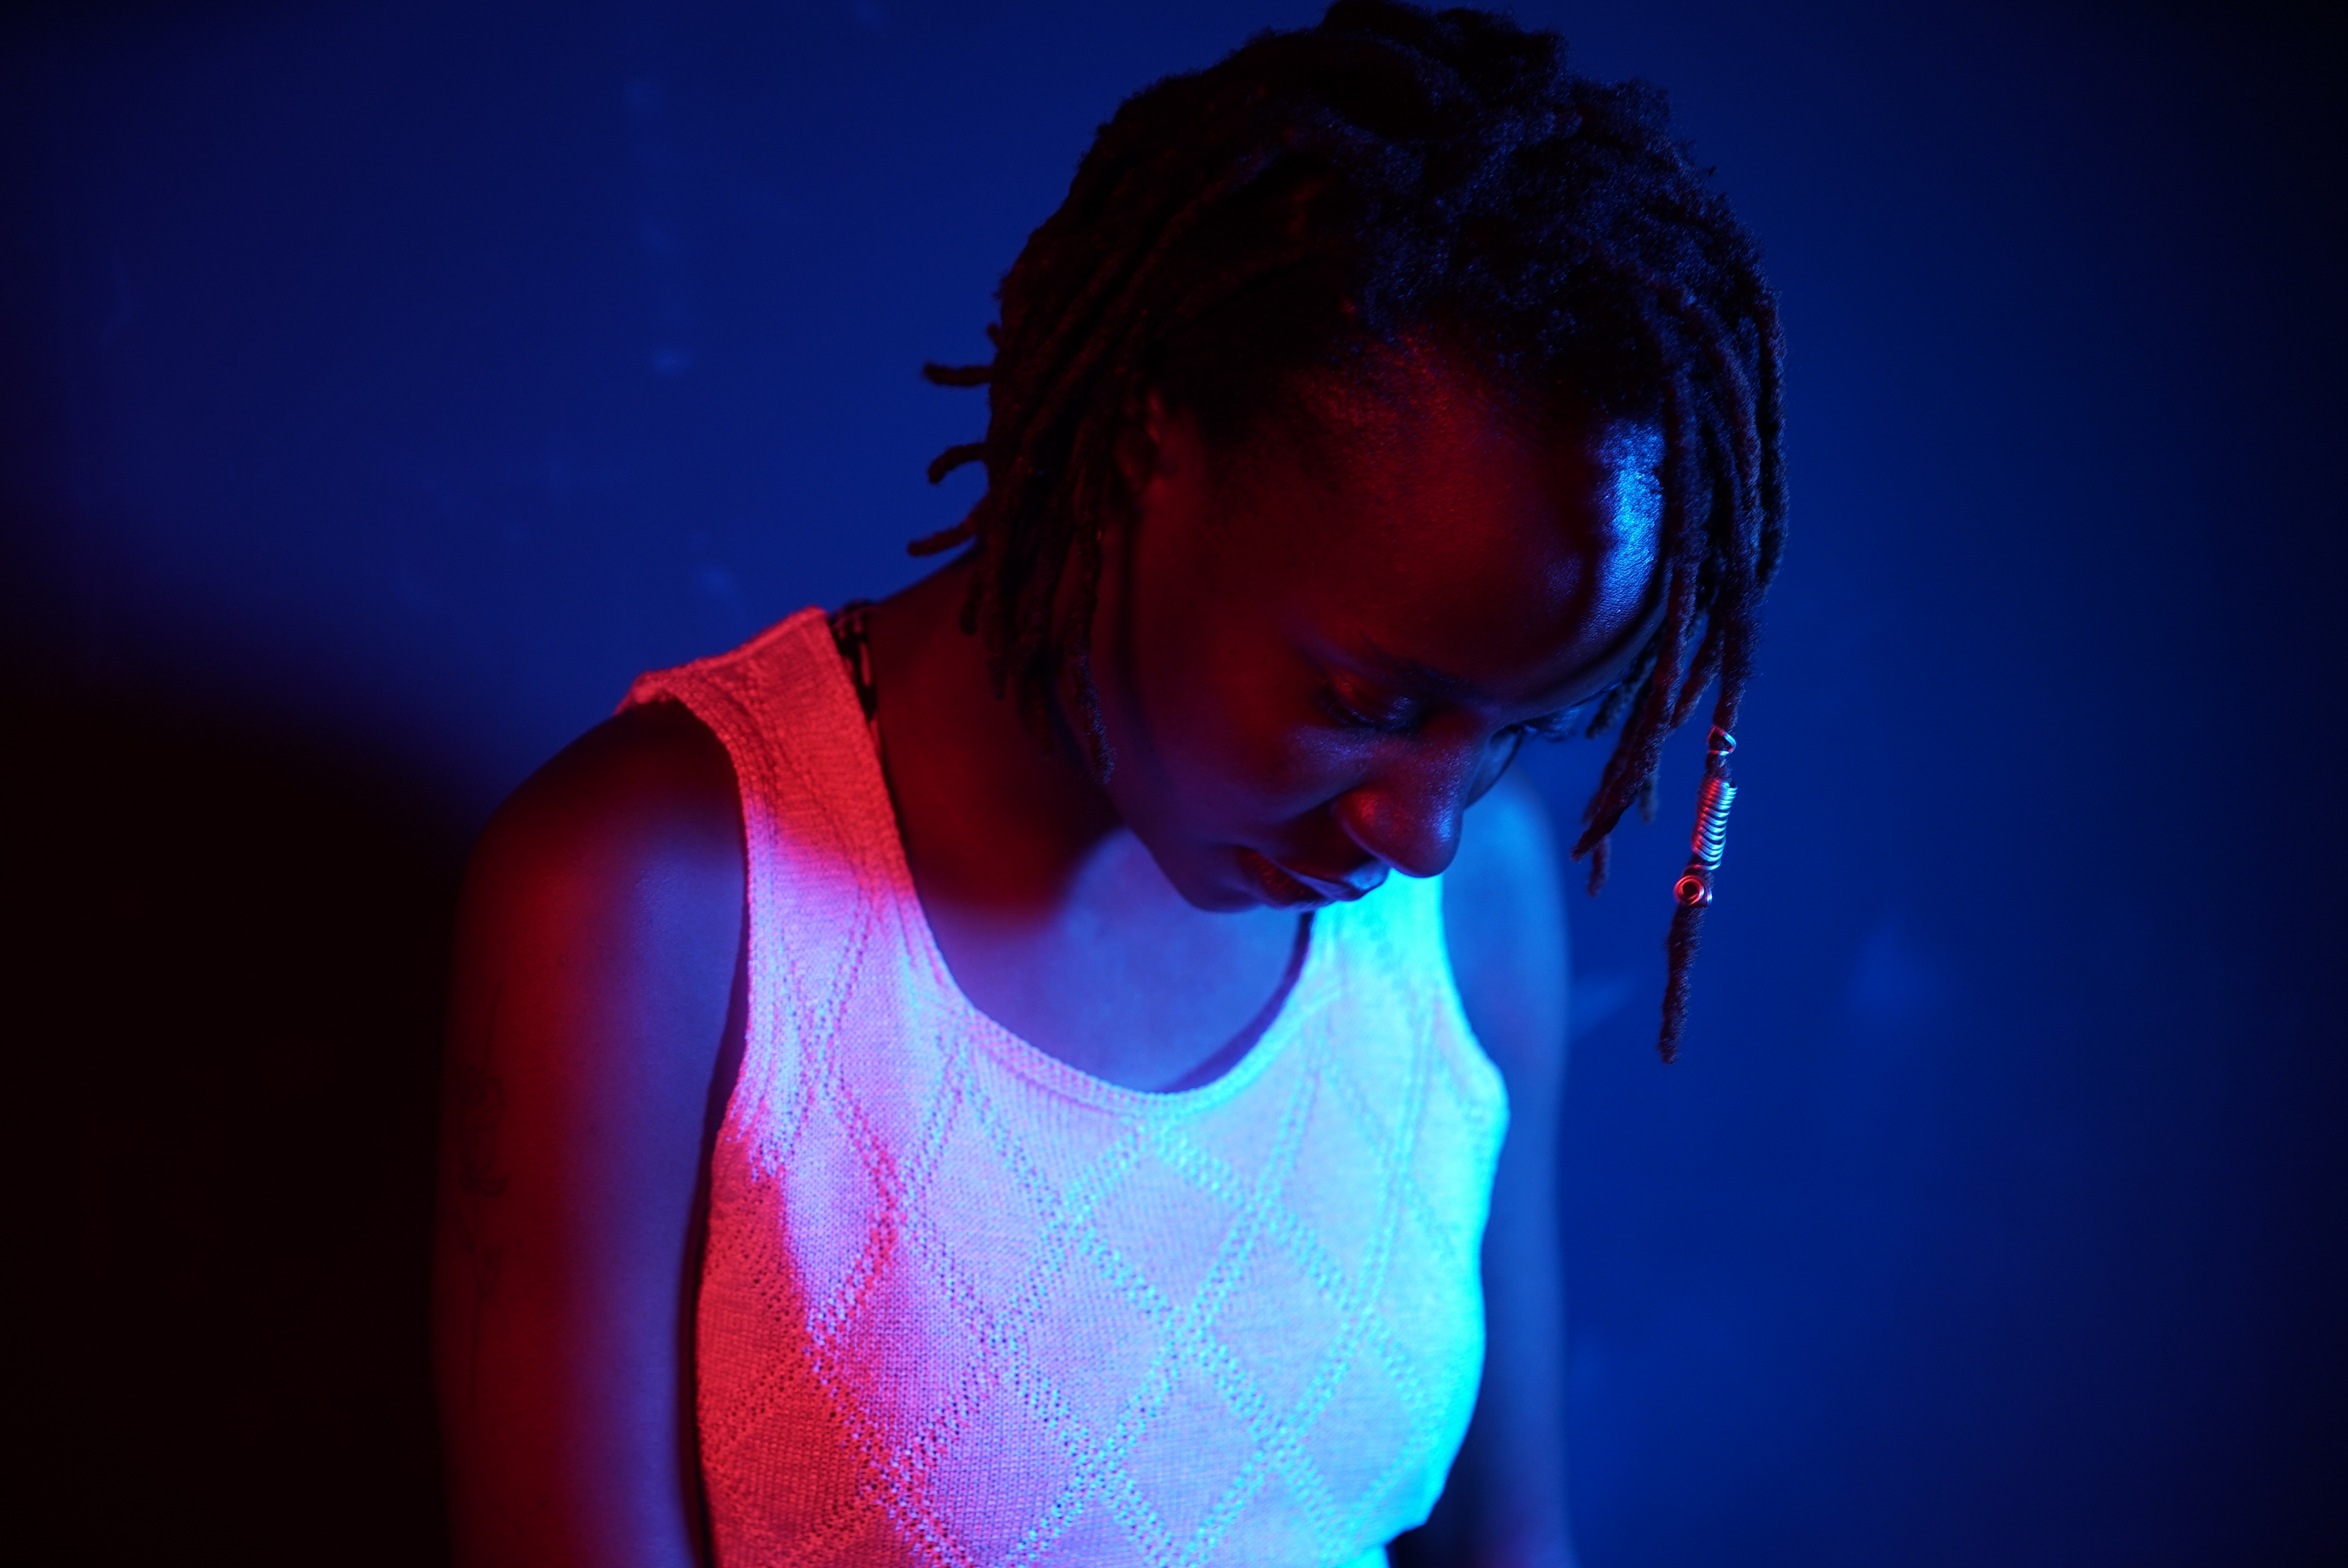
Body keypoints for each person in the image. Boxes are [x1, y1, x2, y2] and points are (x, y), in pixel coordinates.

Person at [431, 4, 1784, 1564]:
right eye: (1368, 701)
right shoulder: (654, 895)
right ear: (1149, 445)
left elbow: (1507, 1545)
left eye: (1512, 731)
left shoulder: (1472, 906)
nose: (1425, 827)